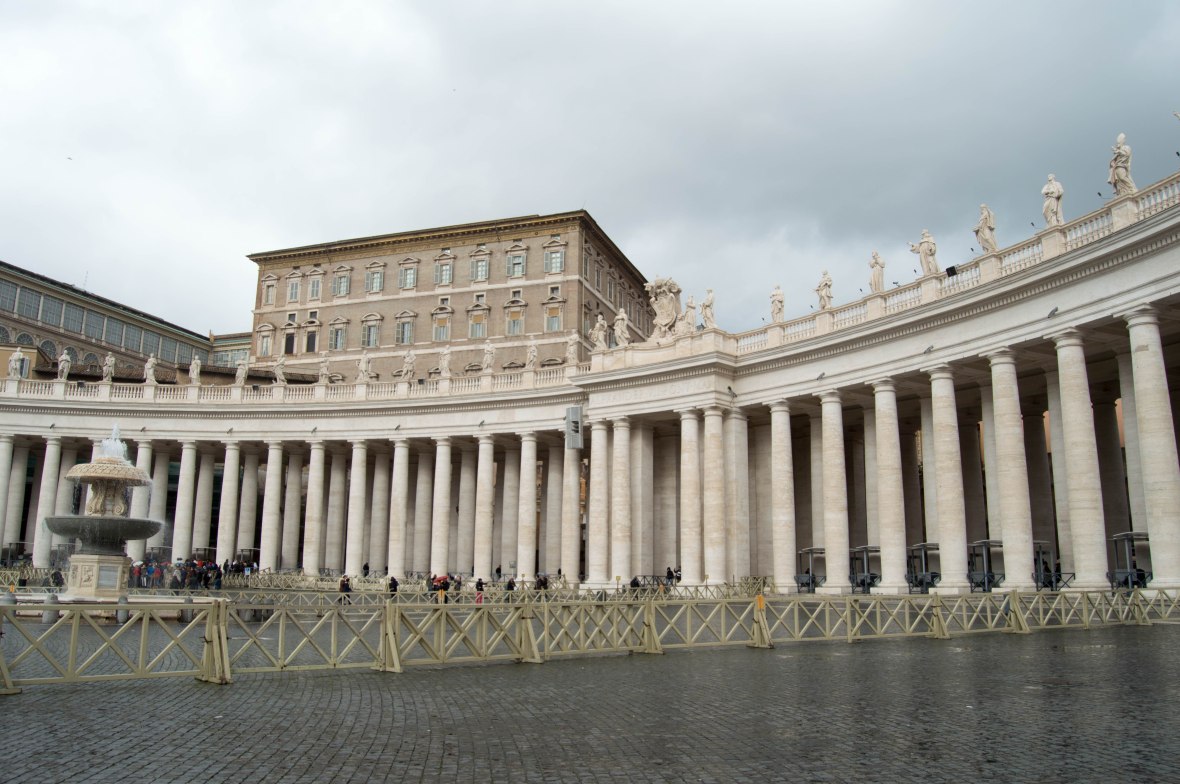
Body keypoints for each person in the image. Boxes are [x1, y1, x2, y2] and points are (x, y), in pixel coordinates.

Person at [1108, 133, 1136, 197]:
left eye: (1119, 141)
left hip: (1122, 166)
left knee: (1122, 177)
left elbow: (1127, 154)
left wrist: (1118, 151)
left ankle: (1132, 189)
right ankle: (1122, 192)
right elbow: (1114, 160)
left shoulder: (1126, 147)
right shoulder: (1118, 150)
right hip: (1117, 166)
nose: (1117, 144)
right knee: (1119, 181)